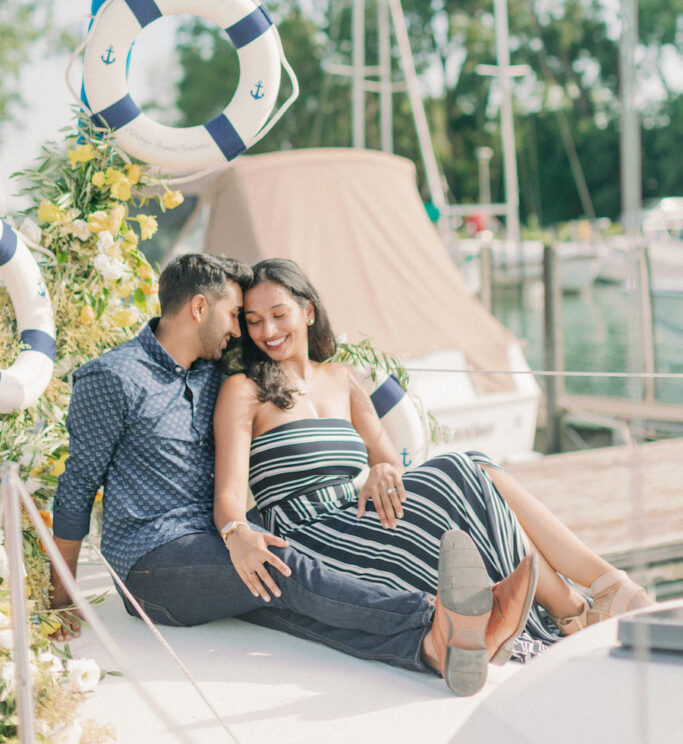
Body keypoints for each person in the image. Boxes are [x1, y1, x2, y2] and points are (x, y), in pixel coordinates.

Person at [50, 252, 535, 699]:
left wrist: (370, 461)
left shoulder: (213, 374)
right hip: (150, 559)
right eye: (235, 315)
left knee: (287, 608)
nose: (241, 331)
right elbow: (75, 490)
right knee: (287, 568)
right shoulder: (111, 378)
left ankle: (430, 650)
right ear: (199, 307)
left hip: (220, 543)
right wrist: (60, 601)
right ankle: (439, 618)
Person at [213, 257, 651, 671]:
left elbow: (386, 460)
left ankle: (588, 600)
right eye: (254, 321)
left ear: (308, 311)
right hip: (308, 535)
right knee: (460, 468)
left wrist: (384, 470)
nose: (267, 330)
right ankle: (584, 603)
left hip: (359, 516)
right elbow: (229, 496)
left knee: (474, 464)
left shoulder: (341, 378)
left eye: (278, 314)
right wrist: (236, 534)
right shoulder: (244, 389)